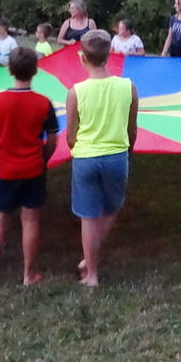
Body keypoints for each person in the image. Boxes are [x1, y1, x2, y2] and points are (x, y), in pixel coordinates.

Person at [0, 47, 59, 288]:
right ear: (35, 71)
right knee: (30, 220)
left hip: (7, 169)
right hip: (34, 168)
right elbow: (52, 139)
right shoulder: (43, 103)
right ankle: (29, 274)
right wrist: (44, 158)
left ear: (9, 70)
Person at [66, 30, 139, 287]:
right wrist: (128, 151)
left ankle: (92, 273)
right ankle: (88, 261)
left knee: (89, 216)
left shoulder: (76, 92)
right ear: (110, 56)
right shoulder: (128, 87)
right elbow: (132, 129)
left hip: (86, 158)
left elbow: (71, 135)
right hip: (116, 156)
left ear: (82, 58)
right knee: (111, 208)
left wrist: (77, 148)